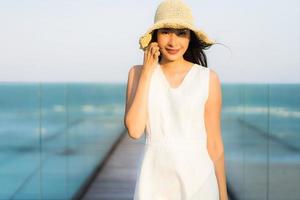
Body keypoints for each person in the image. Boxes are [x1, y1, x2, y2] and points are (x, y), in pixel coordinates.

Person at [124, 0, 228, 199]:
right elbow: (135, 130)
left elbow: (214, 142)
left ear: (190, 38)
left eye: (182, 33)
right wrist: (147, 72)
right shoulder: (137, 74)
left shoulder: (208, 78)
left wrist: (223, 194)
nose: (173, 42)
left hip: (199, 179)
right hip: (154, 179)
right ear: (155, 36)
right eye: (165, 32)